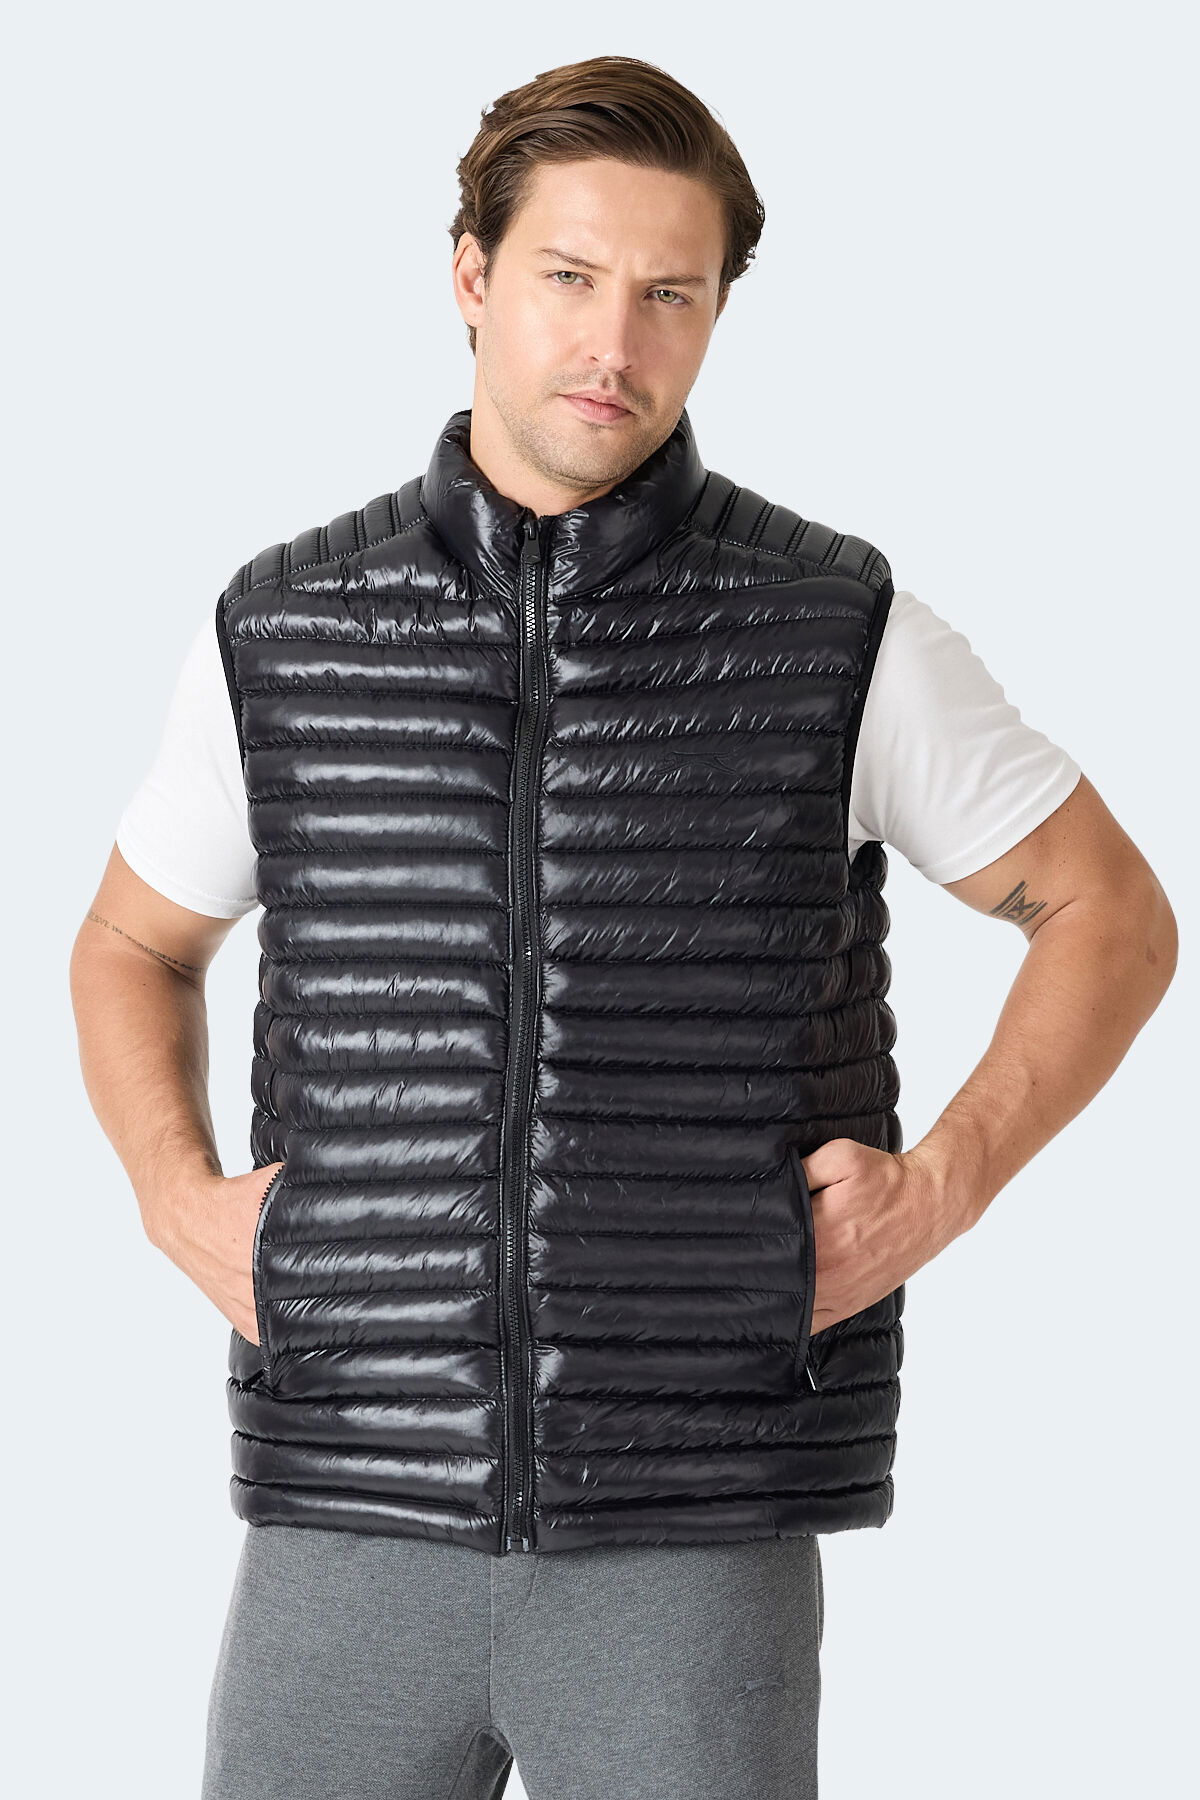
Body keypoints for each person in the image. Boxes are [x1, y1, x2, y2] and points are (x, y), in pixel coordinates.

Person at [70, 53, 1177, 1800]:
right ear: (471, 276)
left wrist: (946, 1185)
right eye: (569, 277)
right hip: (349, 1503)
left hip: (694, 1525)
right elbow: (132, 942)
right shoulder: (286, 629)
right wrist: (170, 1194)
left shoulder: (838, 631)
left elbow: (1109, 912)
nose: (614, 343)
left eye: (672, 294)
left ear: (719, 312)